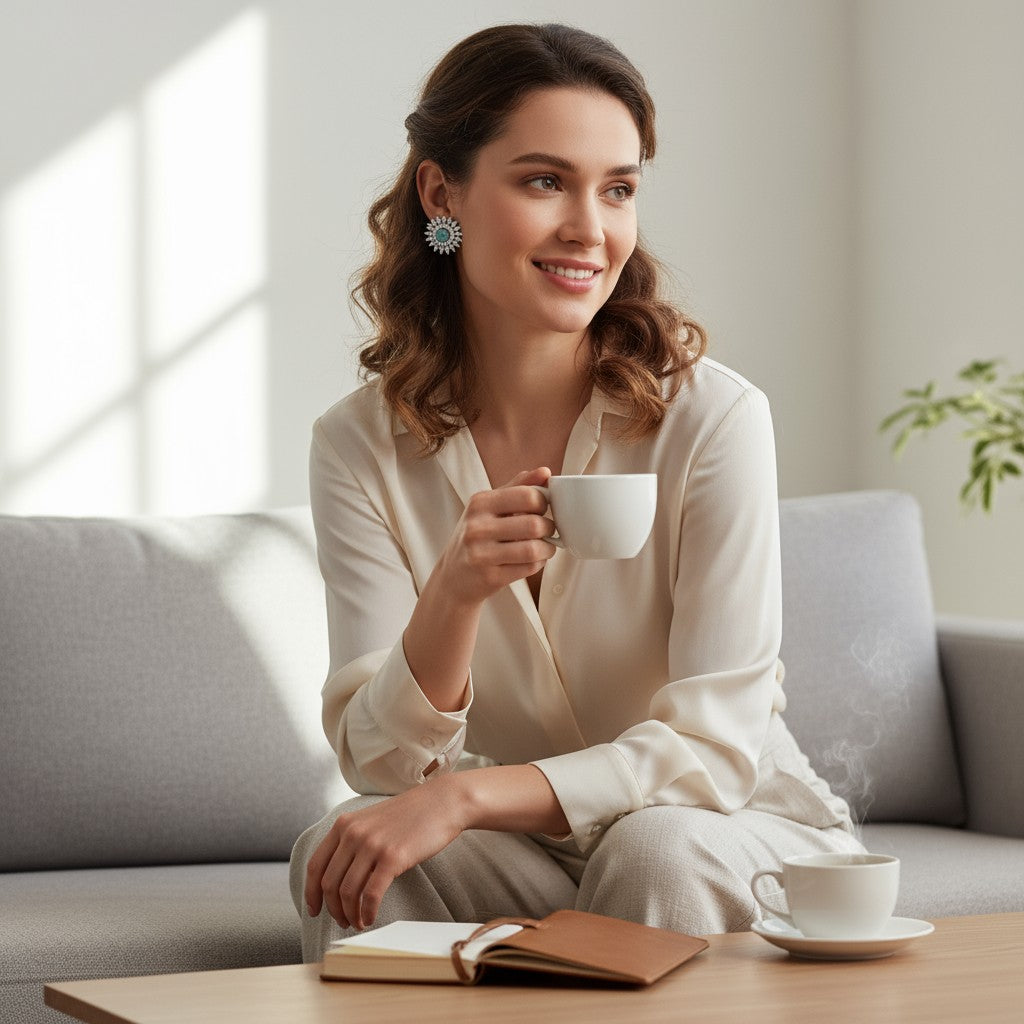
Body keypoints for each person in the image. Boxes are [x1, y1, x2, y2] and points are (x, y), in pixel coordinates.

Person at [290, 22, 862, 962]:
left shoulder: (712, 419)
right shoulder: (357, 447)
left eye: (620, 189)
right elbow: (382, 764)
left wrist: (467, 794)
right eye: (544, 180)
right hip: (543, 852)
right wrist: (457, 591)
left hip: (726, 831)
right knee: (344, 853)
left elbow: (716, 751)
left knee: (655, 848)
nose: (590, 231)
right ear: (444, 193)